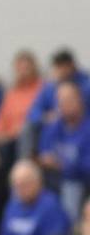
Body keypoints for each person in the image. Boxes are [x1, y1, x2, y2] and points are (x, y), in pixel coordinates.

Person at [38, 82, 90, 222]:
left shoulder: (87, 128)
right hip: (52, 178)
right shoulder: (54, 126)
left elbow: (87, 167)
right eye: (61, 101)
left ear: (80, 100)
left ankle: (70, 231)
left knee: (70, 187)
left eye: (69, 100)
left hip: (79, 181)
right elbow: (44, 152)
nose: (64, 104)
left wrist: (62, 165)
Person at [0, 52, 43, 155]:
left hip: (31, 137)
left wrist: (15, 132)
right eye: (19, 69)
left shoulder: (43, 89)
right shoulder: (11, 93)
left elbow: (42, 116)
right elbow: (1, 118)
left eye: (26, 68)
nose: (23, 72)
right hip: (8, 139)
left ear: (34, 68)